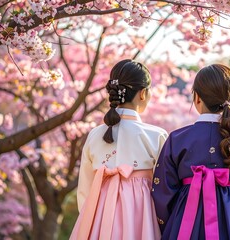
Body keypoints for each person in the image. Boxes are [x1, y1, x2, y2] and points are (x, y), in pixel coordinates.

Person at [151, 64, 230, 240]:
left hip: (185, 225)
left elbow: (162, 194)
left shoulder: (176, 139)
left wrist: (170, 226)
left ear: (196, 98)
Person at [70, 59, 167, 240]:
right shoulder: (156, 136)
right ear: (143, 93)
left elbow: (85, 190)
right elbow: (164, 187)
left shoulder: (94, 135)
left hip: (99, 217)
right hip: (142, 217)